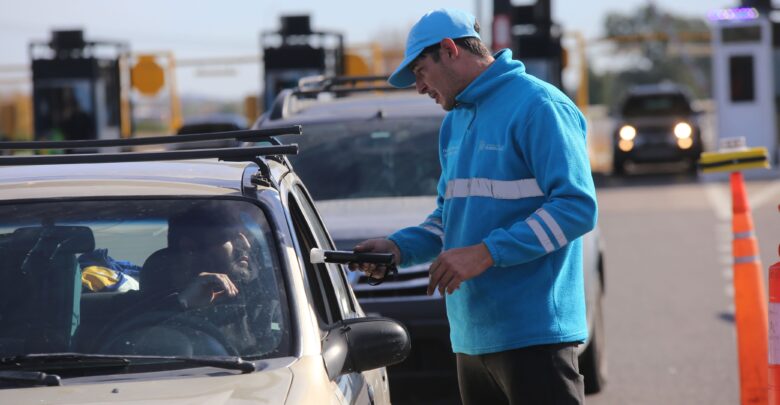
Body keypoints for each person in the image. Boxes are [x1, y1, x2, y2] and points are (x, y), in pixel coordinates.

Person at [350, 8, 597, 405]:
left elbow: (576, 207)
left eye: (419, 71)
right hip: (471, 340)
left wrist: (486, 253)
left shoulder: (539, 105)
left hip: (534, 336)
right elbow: (449, 219)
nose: (418, 87)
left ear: (449, 50)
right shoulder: (454, 122)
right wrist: (398, 248)